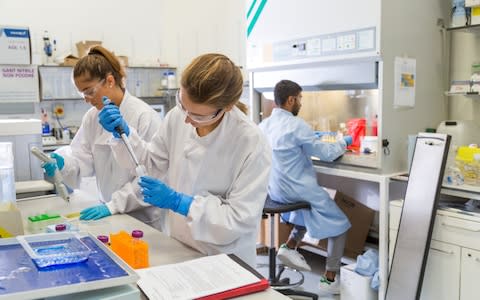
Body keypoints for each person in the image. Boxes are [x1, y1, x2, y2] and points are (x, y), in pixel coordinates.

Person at [97, 53, 271, 267]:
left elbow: (237, 220)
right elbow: (151, 165)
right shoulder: (177, 117)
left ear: (227, 107)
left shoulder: (251, 142)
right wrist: (123, 135)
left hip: (225, 259)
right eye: (182, 105)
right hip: (180, 247)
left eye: (198, 115)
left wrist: (181, 203)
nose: (187, 119)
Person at [41, 45, 163, 227]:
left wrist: (114, 204)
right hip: (109, 214)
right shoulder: (92, 117)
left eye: (90, 91)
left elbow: (152, 175)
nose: (87, 99)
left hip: (143, 218)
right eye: (82, 93)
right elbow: (82, 162)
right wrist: (63, 165)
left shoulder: (144, 116)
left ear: (110, 81)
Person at [258, 79, 351, 294]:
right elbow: (327, 154)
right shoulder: (297, 125)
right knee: (340, 223)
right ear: (291, 100)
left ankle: (289, 246)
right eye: (300, 99)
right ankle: (330, 279)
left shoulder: (263, 126)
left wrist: (313, 137)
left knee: (308, 210)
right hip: (296, 191)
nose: (301, 103)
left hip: (276, 191)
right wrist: (344, 142)